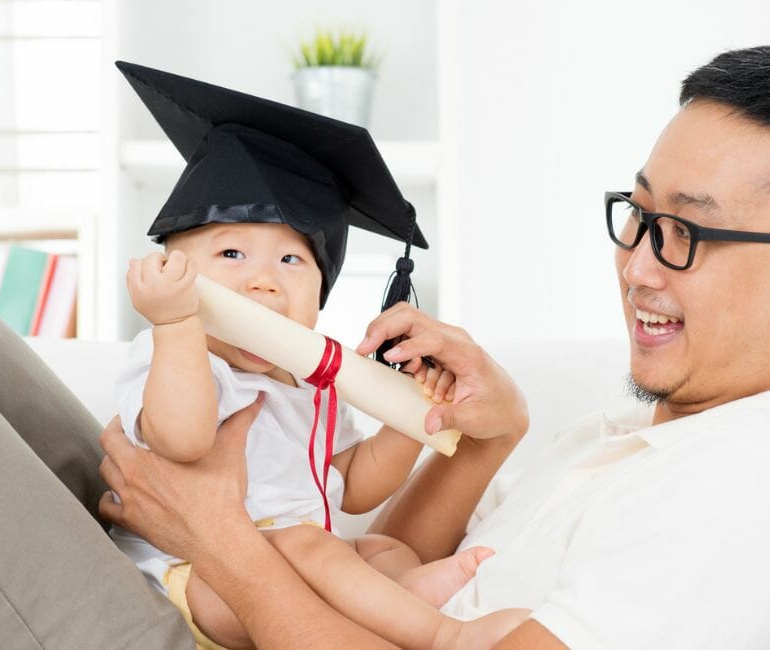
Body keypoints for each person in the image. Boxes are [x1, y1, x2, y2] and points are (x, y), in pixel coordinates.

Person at [0, 44, 770, 649]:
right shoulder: (649, 427)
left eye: (682, 231)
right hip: (236, 592)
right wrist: (492, 443)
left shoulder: (758, 485)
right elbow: (377, 565)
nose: (637, 262)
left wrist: (220, 532)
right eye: (633, 216)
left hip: (219, 621)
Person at [110, 60, 527, 650]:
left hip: (298, 560)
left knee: (381, 550)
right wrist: (176, 324)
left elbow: (351, 485)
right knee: (311, 549)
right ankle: (442, 635)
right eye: (231, 253)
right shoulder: (177, 356)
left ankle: (391, 600)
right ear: (177, 274)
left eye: (292, 261)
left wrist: (411, 415)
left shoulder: (308, 382)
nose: (264, 281)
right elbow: (181, 439)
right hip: (188, 582)